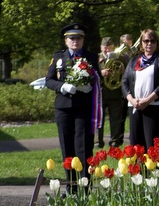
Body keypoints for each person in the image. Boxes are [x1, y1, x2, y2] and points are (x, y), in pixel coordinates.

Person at [45, 23, 102, 191]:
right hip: (63, 108)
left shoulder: (91, 58)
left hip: (83, 107)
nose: (75, 41)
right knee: (67, 145)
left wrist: (89, 85)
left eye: (78, 38)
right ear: (65, 40)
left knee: (83, 146)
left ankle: (85, 186)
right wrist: (62, 87)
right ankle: (71, 187)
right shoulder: (58, 58)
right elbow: (49, 80)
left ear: (83, 40)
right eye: (72, 38)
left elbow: (97, 80)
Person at [122, 29, 159, 149]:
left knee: (152, 145)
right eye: (146, 41)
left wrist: (148, 100)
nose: (149, 44)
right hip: (135, 106)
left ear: (156, 43)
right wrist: (132, 100)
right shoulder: (134, 61)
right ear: (141, 43)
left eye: (152, 41)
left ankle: (153, 168)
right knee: (136, 145)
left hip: (154, 106)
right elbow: (124, 82)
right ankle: (137, 168)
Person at [97, 36, 127, 149]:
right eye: (104, 48)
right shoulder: (96, 58)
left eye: (109, 48)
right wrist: (102, 72)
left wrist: (121, 72)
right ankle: (97, 142)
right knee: (99, 119)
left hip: (115, 92)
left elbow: (125, 73)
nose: (106, 50)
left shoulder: (120, 58)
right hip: (101, 92)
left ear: (113, 47)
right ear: (101, 47)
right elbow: (92, 73)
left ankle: (115, 141)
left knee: (115, 119)